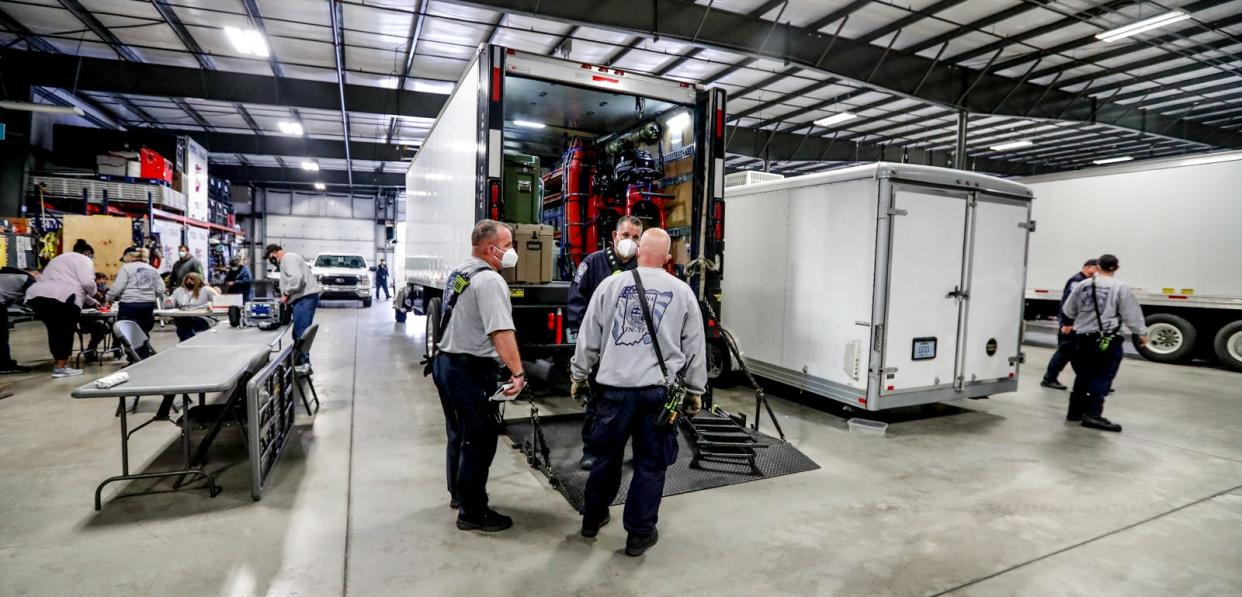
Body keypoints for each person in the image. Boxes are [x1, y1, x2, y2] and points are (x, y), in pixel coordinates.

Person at [570, 227, 707, 557]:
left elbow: (588, 336)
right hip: (658, 397)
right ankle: (638, 535)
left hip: (613, 393)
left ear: (637, 250)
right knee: (650, 464)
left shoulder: (610, 285)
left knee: (605, 457)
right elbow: (695, 346)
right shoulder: (682, 292)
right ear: (669, 259)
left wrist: (578, 375)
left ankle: (592, 519)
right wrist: (695, 389)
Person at [430, 219, 525, 533]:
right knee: (479, 440)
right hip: (468, 370)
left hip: (446, 363)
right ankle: (472, 512)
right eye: (508, 245)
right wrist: (518, 372)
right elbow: (500, 331)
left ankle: (459, 494)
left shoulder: (461, 271)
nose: (512, 251)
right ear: (490, 247)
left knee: (459, 433)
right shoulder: (490, 281)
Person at [567, 215, 643, 470]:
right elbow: (577, 300)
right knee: (597, 402)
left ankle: (631, 450)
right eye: (625, 236)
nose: (630, 242)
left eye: (635, 237)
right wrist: (581, 340)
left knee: (635, 407)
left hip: (632, 350)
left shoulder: (642, 268)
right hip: (601, 349)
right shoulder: (593, 263)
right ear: (614, 236)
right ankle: (591, 449)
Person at [1062, 254, 1148, 433]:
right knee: (1102, 374)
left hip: (1083, 337)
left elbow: (1068, 309)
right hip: (1107, 339)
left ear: (1098, 266)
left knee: (1084, 373)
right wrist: (1141, 333)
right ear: (1116, 267)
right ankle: (1093, 414)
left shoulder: (1083, 285)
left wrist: (1074, 322)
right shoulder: (1120, 287)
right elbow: (1130, 313)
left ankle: (1075, 412)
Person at [24, 239, 98, 377]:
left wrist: (92, 301)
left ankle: (59, 363)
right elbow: (86, 282)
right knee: (65, 331)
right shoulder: (84, 259)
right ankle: (61, 367)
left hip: (38, 295)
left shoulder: (59, 259)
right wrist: (95, 293)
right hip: (63, 298)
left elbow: (64, 282)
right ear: (88, 253)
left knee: (54, 331)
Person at [1041, 259, 1099, 390]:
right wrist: (1067, 323)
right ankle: (1049, 379)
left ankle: (1088, 382)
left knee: (1078, 355)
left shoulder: (1086, 281)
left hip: (1078, 324)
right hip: (1071, 324)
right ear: (1088, 268)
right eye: (1096, 269)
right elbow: (1069, 304)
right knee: (1065, 352)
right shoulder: (1077, 281)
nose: (1097, 272)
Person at [264, 244, 321, 364]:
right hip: (303, 298)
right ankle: (299, 361)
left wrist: (286, 293)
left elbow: (296, 278)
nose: (271, 261)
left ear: (275, 253)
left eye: (270, 257)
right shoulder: (290, 258)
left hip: (304, 298)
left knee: (301, 333)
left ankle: (303, 363)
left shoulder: (287, 258)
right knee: (298, 332)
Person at [108, 247, 165, 339]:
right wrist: (149, 295)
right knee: (143, 332)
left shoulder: (126, 268)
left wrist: (108, 298)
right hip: (147, 305)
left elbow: (118, 287)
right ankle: (143, 352)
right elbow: (161, 289)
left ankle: (129, 353)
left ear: (128, 257)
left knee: (127, 333)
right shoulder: (152, 269)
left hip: (129, 304)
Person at [0, 266, 37, 374]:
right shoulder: (28, 278)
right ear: (33, 272)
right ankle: (4, 365)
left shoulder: (7, 275)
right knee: (2, 336)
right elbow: (34, 298)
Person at [168, 272, 218, 341]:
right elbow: (170, 302)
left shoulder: (206, 289)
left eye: (192, 279)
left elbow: (219, 301)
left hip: (203, 318)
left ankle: (187, 341)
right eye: (187, 279)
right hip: (183, 317)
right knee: (183, 324)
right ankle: (189, 341)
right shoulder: (178, 291)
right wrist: (168, 302)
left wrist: (211, 305)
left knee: (183, 327)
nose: (189, 281)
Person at [78, 272, 113, 363]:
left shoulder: (105, 289)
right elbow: (86, 301)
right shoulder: (84, 291)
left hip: (103, 316)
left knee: (116, 323)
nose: (103, 282)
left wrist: (107, 302)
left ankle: (116, 347)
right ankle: (91, 349)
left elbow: (108, 300)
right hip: (87, 319)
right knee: (100, 325)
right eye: (100, 279)